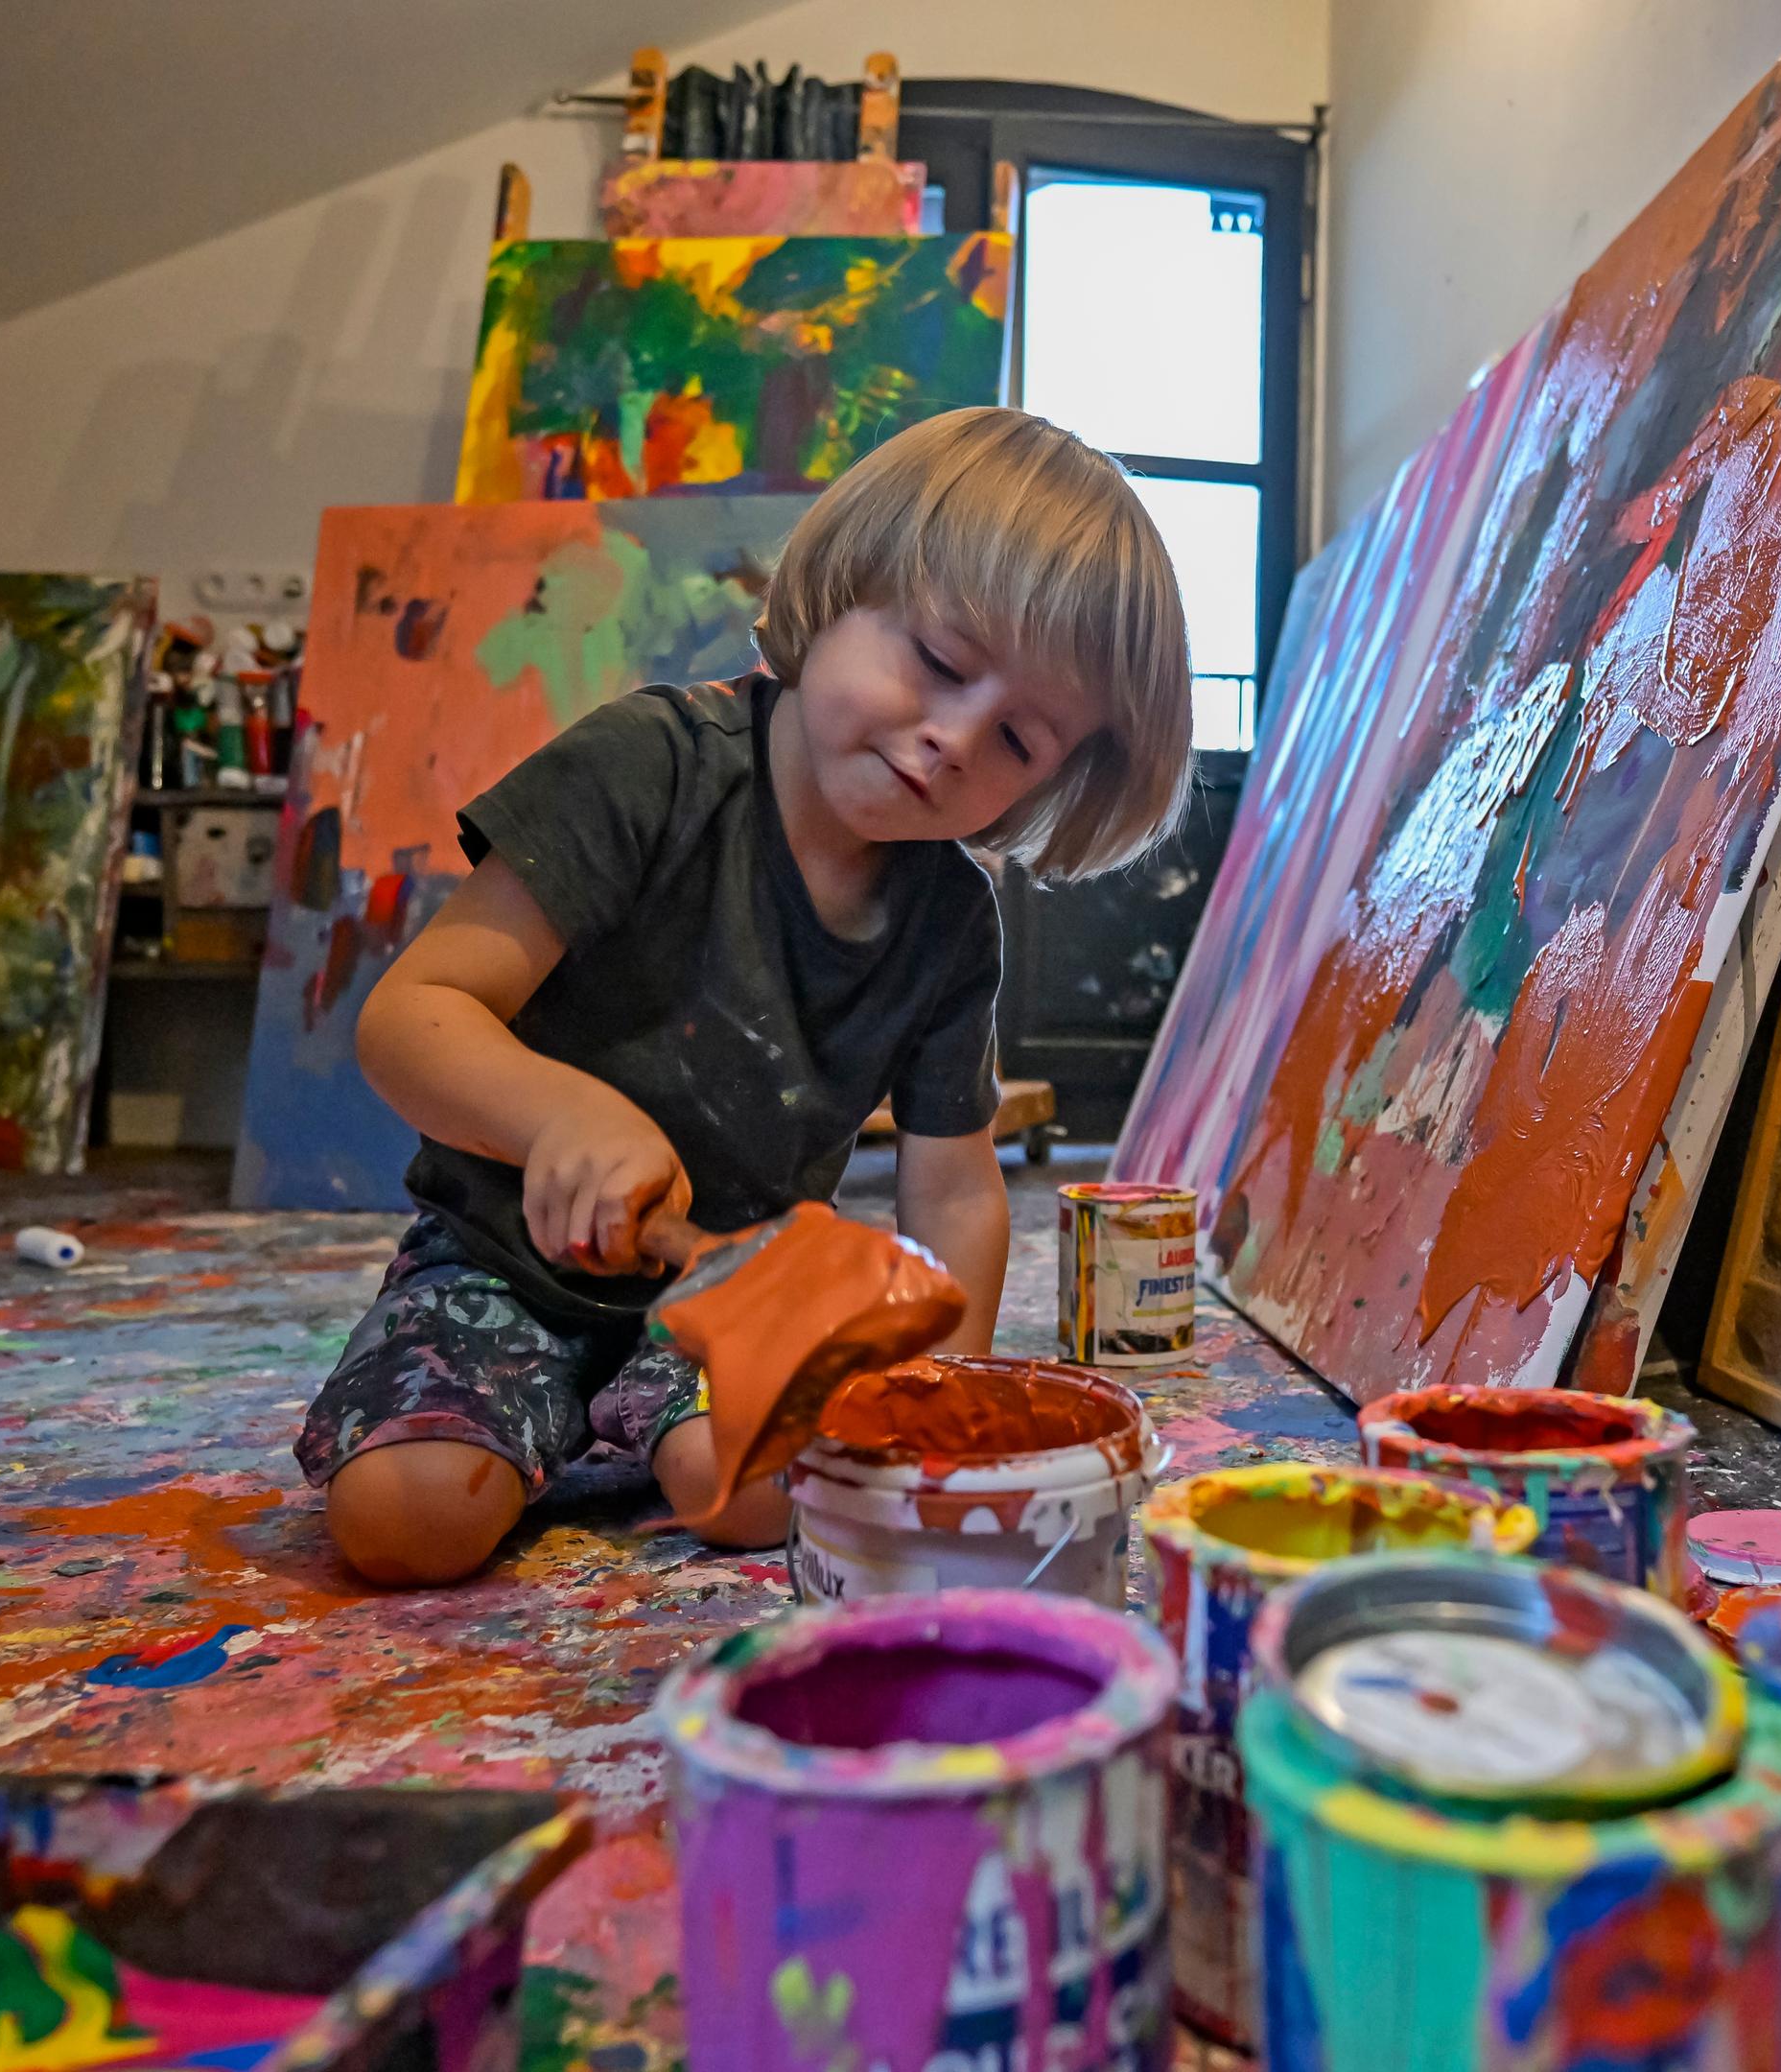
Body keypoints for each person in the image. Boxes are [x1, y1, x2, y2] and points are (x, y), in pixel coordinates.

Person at [297, 408, 1194, 1585]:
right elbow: (409, 1018)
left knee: (767, 1500)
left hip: (731, 1286)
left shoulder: (950, 923)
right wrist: (559, 1116)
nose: (951, 740)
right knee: (407, 1521)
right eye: (936, 662)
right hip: (495, 1264)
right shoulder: (649, 767)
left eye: (1018, 741)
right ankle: (551, 1410)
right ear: (845, 589)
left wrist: (946, 1404)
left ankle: (631, 1409)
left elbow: (956, 1189)